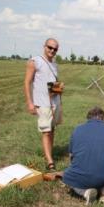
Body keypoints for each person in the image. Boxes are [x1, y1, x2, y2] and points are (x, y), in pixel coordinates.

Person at [62, 107, 104, 204]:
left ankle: (85, 192)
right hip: (103, 177)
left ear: (88, 118)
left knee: (68, 176)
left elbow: (71, 155)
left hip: (79, 178)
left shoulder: (77, 129)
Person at [24, 38, 62, 171]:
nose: (52, 50)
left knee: (52, 130)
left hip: (54, 103)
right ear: (44, 46)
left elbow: (53, 83)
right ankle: (50, 162)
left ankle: (49, 154)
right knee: (46, 132)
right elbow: (27, 82)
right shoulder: (35, 61)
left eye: (55, 49)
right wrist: (30, 102)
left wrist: (58, 91)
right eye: (50, 47)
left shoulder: (55, 64)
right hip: (42, 103)